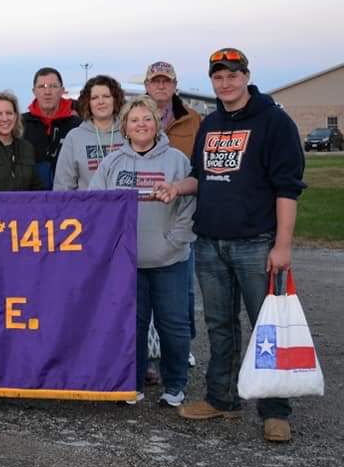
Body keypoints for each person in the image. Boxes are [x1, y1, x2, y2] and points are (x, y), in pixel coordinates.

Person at [155, 48, 306, 443]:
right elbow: (199, 177)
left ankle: (275, 411)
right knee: (220, 326)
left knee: (265, 329)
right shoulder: (211, 124)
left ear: (246, 75)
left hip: (257, 243)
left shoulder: (273, 121)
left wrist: (283, 245)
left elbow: (288, 188)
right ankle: (221, 399)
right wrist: (176, 188)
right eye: (218, 77)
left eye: (232, 75)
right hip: (210, 243)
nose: (225, 83)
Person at [90, 96, 195, 407]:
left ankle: (174, 384)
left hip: (169, 260)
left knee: (173, 324)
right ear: (125, 126)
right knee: (131, 324)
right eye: (134, 120)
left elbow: (189, 207)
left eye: (147, 118)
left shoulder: (176, 160)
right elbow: (96, 207)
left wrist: (174, 241)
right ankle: (131, 382)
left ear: (157, 123)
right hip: (127, 262)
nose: (141, 125)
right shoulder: (112, 163)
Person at [143, 61, 202, 380]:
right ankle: (148, 353)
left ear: (175, 85)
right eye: (156, 82)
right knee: (144, 297)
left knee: (182, 291)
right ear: (147, 85)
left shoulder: (192, 120)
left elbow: (199, 169)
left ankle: (181, 347)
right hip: (146, 216)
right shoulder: (136, 116)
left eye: (167, 81)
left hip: (179, 212)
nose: (161, 87)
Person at [53, 75, 126, 191]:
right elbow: (63, 185)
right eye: (94, 98)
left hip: (124, 207)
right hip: (88, 207)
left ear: (115, 100)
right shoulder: (74, 137)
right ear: (88, 103)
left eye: (106, 96)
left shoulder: (129, 133)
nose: (101, 101)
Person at [23, 67, 81, 189]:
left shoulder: (78, 126)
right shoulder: (20, 125)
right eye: (41, 87)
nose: (47, 92)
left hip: (69, 198)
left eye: (53, 86)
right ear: (34, 91)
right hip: (31, 201)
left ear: (62, 90)